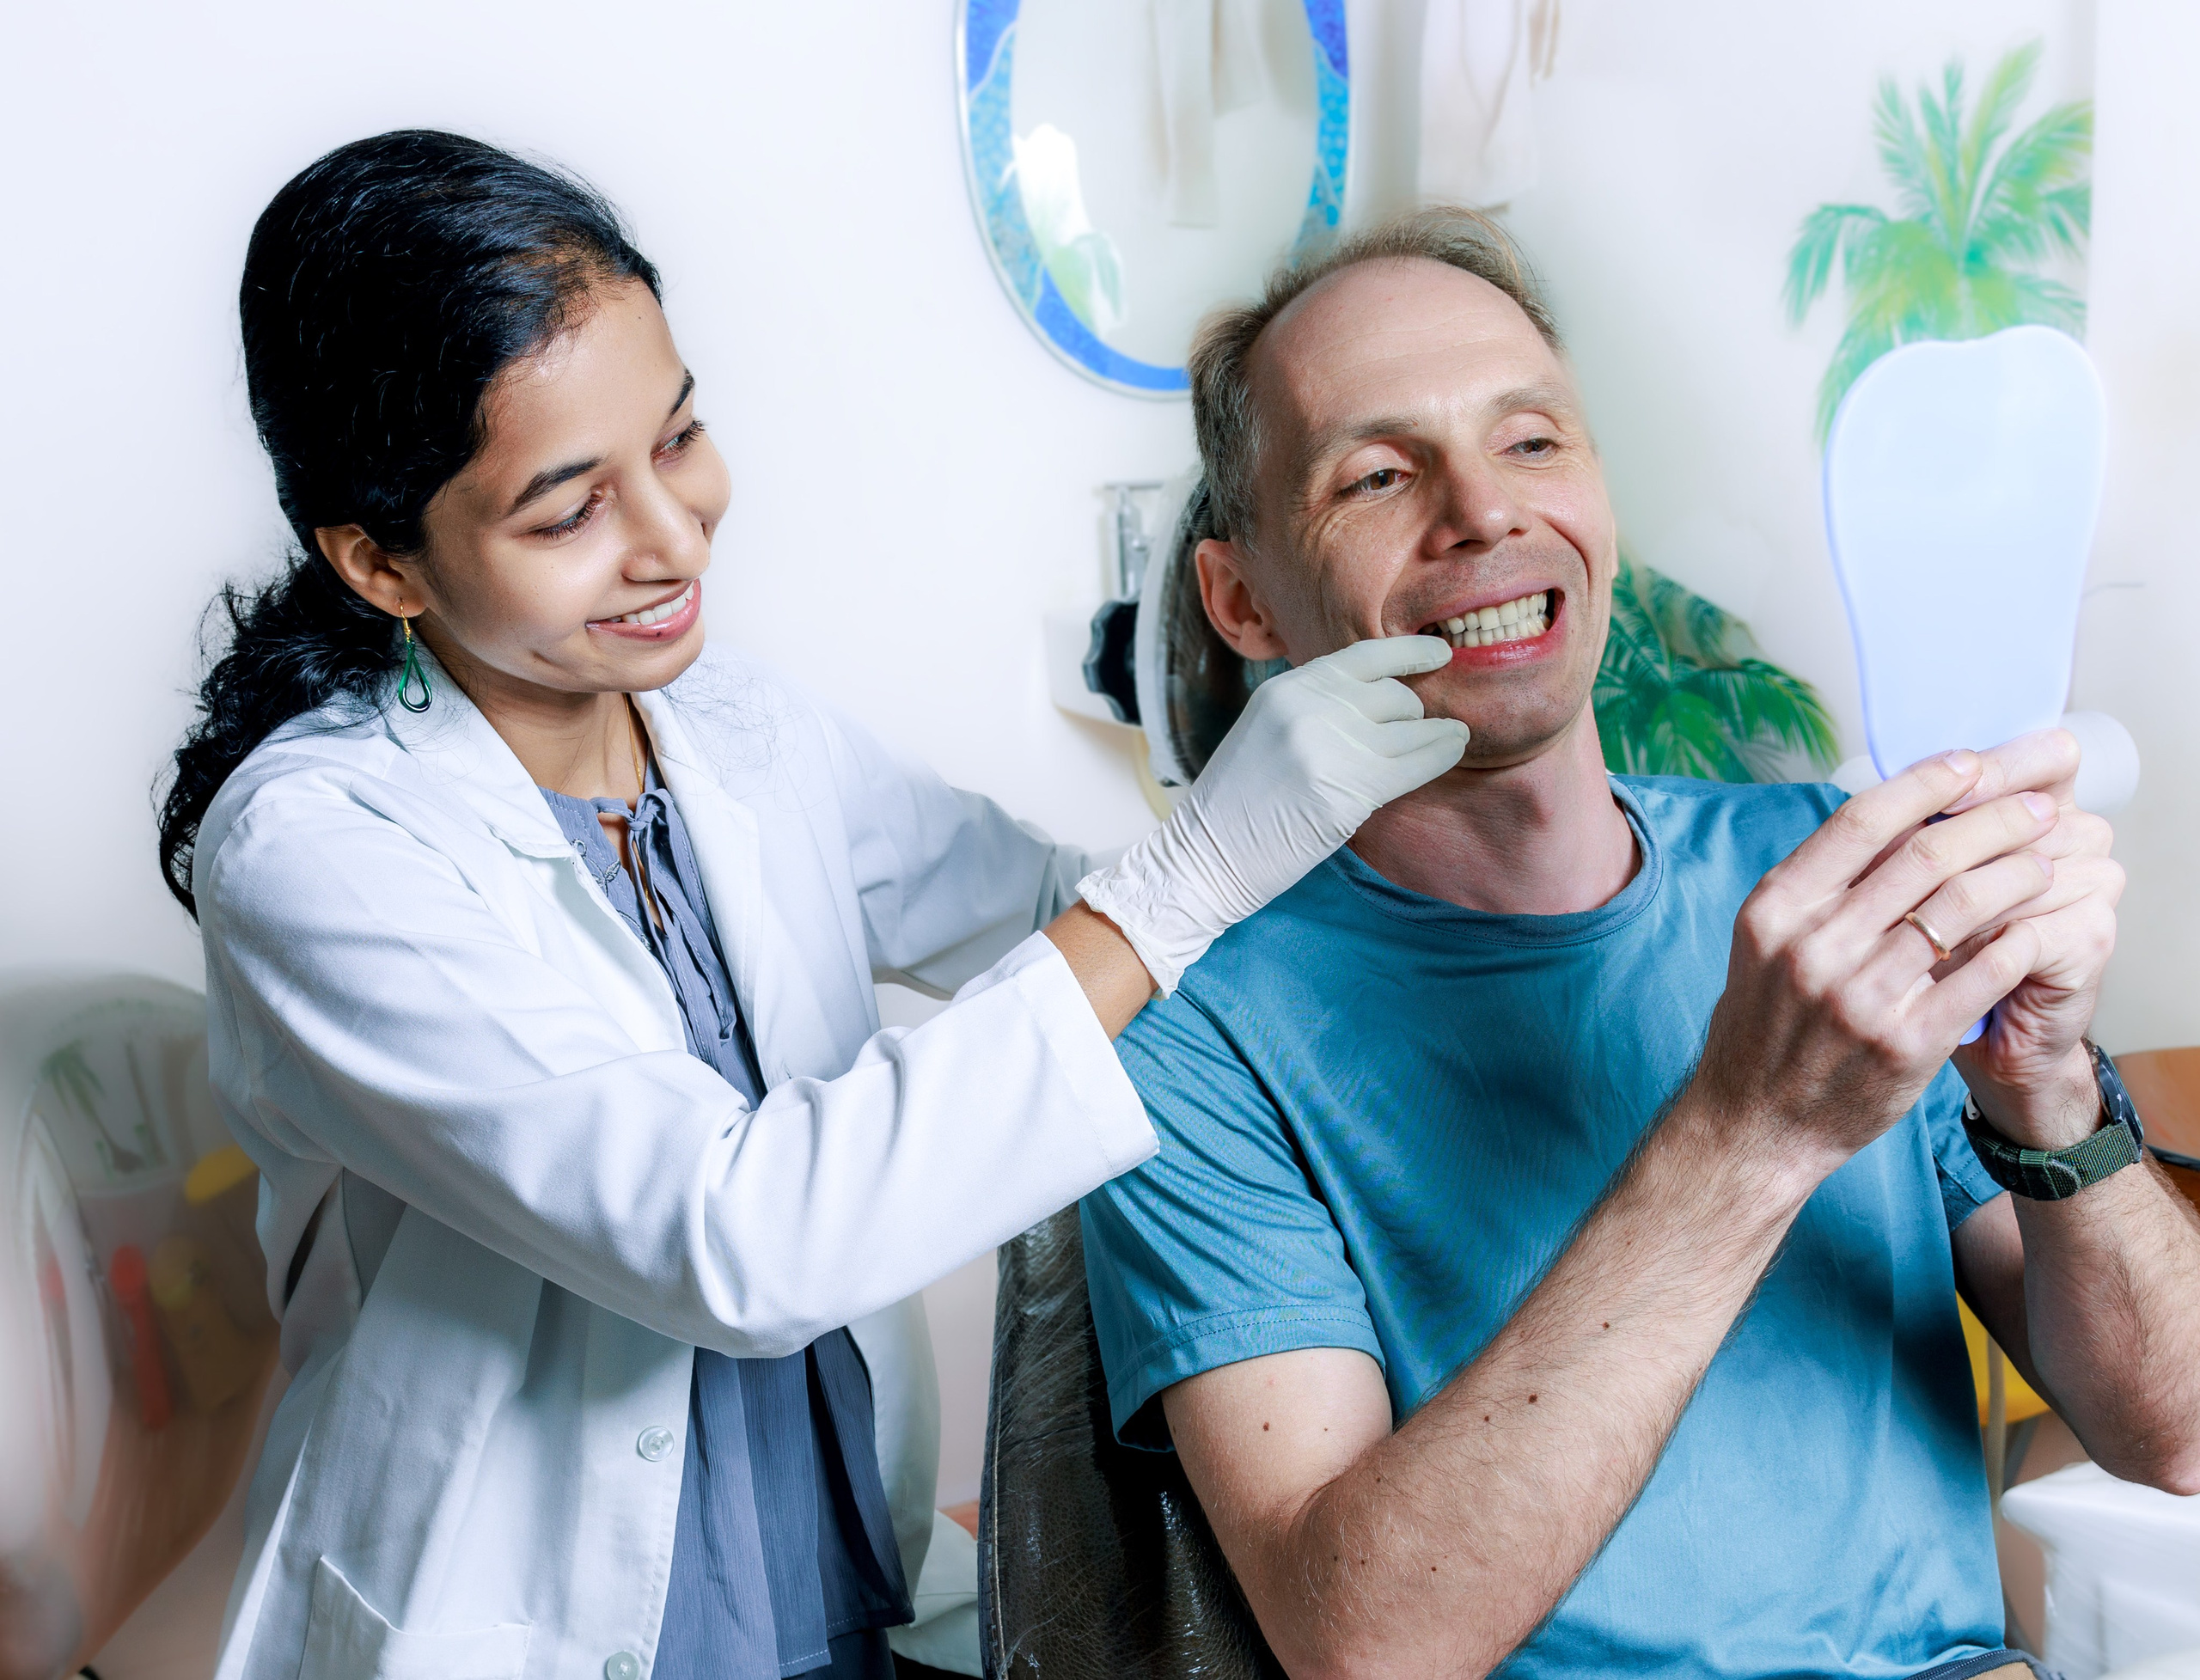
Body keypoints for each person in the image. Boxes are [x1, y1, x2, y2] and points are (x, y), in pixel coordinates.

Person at [162, 133, 1470, 1680]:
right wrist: (1193, 872)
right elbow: (740, 1239)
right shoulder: (318, 851)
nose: (673, 533)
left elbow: (1049, 912)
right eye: (568, 509)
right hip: (530, 1626)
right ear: (381, 561)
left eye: (682, 435)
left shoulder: (737, 730)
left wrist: (1341, 865)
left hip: (824, 1585)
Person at [1078, 209, 2200, 1680]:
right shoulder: (1190, 1042)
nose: (1484, 511)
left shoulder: (1828, 871)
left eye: (1533, 441)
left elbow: (2174, 1428)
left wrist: (2045, 1091)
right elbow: (1365, 1642)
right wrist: (1755, 1125)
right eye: (1376, 474)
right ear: (1243, 600)